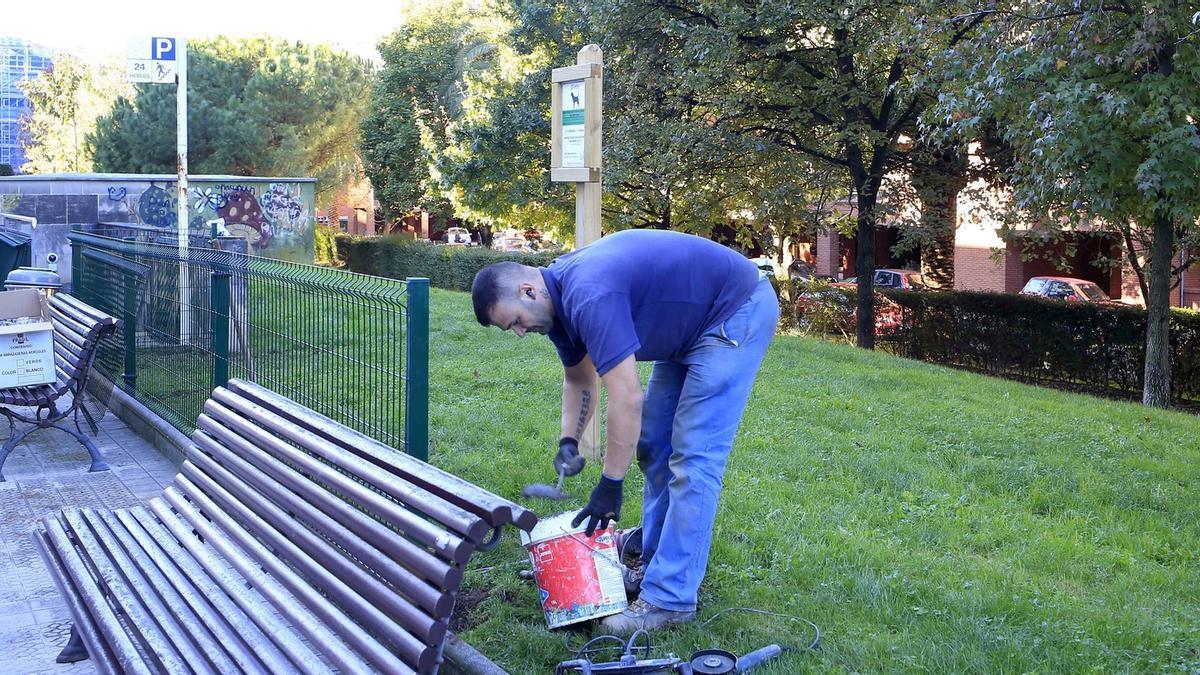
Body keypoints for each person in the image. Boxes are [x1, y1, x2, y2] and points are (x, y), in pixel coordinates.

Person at [471, 229, 779, 633]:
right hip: (688, 327)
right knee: (654, 447)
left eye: (514, 322)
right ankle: (654, 563)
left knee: (693, 458)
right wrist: (570, 439)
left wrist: (611, 484)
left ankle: (670, 599)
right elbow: (580, 380)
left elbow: (627, 396)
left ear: (528, 291)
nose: (519, 332)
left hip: (733, 310)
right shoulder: (557, 306)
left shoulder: (590, 295)